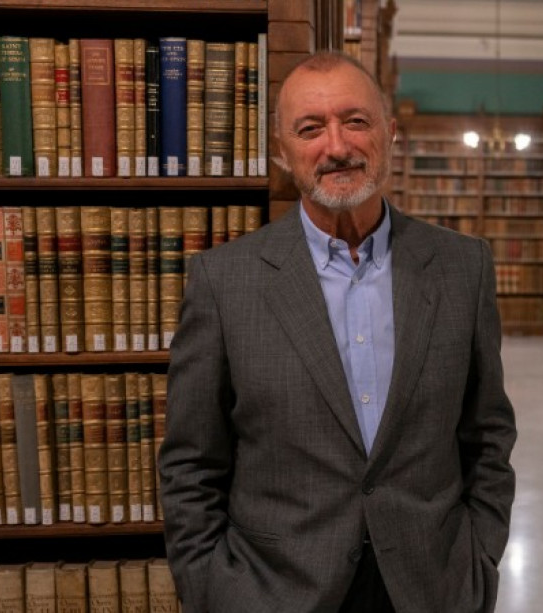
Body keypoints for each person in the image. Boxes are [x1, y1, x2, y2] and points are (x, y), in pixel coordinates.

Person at [158, 51, 518, 613]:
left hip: (433, 586)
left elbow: (488, 436)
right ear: (282, 153)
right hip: (276, 592)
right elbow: (192, 464)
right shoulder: (224, 283)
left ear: (389, 134)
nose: (338, 146)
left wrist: (480, 558)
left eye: (355, 121)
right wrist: (213, 589)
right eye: (310, 128)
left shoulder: (461, 268)